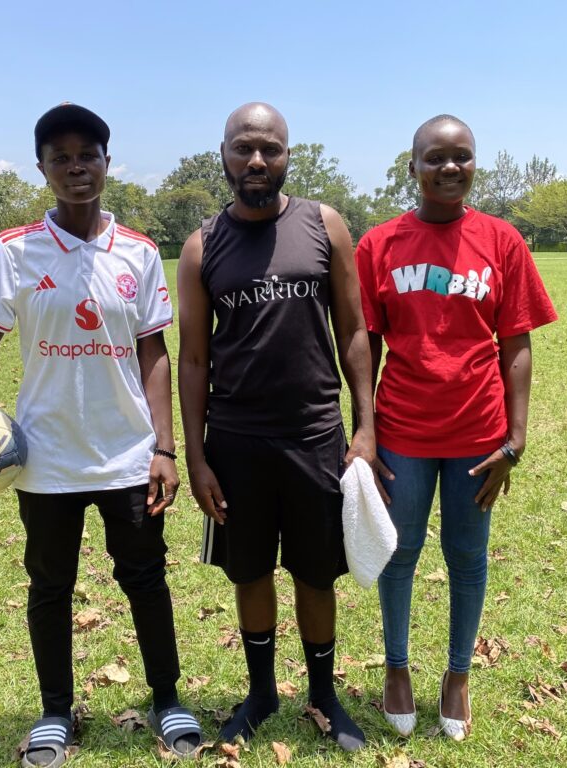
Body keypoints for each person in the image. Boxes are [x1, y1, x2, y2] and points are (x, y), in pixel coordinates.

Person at [0, 103, 203, 767]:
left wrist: (164, 447)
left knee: (147, 579)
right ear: (43, 169)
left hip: (128, 454)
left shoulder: (141, 252)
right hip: (44, 459)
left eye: (87, 153)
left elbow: (154, 354)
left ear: (105, 162)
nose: (76, 166)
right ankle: (55, 713)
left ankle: (167, 698)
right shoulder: (15, 250)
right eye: (61, 156)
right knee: (49, 587)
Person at [177, 102, 379, 752]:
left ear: (289, 154)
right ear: (224, 156)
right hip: (236, 443)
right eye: (244, 148)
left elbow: (352, 331)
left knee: (317, 575)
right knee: (251, 573)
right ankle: (261, 692)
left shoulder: (324, 225)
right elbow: (194, 357)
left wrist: (365, 426)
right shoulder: (201, 246)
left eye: (270, 148)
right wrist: (196, 457)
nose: (257, 160)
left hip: (315, 435)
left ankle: (324, 694)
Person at [355, 114, 558, 740]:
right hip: (403, 432)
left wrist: (516, 438)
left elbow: (516, 342)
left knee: (467, 556)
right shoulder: (380, 245)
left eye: (461, 157)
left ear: (474, 164)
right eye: (435, 157)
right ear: (411, 166)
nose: (450, 168)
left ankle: (458, 675)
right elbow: (364, 343)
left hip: (479, 436)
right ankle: (396, 668)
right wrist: (363, 430)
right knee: (401, 551)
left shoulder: (502, 241)